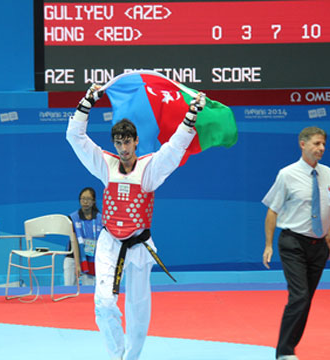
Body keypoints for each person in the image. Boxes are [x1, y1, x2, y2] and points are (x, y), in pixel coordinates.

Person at [66, 84, 204, 360]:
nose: (123, 147)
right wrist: (86, 101)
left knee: (138, 310)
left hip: (139, 245)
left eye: (127, 141)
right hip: (109, 242)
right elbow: (75, 137)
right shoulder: (105, 164)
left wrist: (191, 116)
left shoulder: (149, 168)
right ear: (114, 144)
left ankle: (132, 357)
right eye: (118, 142)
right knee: (103, 303)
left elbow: (175, 148)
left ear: (136, 141)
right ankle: (116, 354)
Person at [261, 126, 330, 360]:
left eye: (324, 145)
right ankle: (284, 351)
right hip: (293, 243)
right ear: (302, 144)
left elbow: (326, 207)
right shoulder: (286, 174)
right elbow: (272, 211)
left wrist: (329, 235)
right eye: (317, 144)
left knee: (306, 299)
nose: (321, 149)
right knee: (299, 296)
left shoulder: (329, 173)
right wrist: (268, 245)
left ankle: (289, 347)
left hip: (318, 245)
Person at [63, 187, 103, 286]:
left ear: (93, 201)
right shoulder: (72, 218)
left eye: (88, 199)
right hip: (72, 257)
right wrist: (77, 264)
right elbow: (74, 241)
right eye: (82, 199)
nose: (85, 202)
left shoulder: (101, 219)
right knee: (69, 289)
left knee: (88, 292)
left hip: (91, 259)